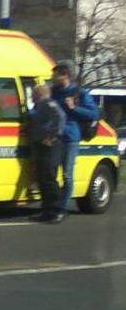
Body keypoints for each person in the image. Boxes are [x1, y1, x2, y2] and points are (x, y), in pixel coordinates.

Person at [50, 62, 97, 214]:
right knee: (50, 172)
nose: (53, 77)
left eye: (56, 75)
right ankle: (54, 204)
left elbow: (93, 114)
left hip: (70, 138)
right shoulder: (53, 92)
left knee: (67, 174)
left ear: (65, 75)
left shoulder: (79, 93)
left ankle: (61, 208)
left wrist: (74, 108)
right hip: (54, 137)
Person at [27, 83, 68, 223]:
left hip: (51, 146)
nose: (31, 97)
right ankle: (46, 211)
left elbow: (61, 117)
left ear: (39, 94)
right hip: (41, 146)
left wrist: (52, 136)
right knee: (43, 180)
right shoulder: (38, 106)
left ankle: (57, 211)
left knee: (49, 179)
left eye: (33, 94)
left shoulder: (48, 103)